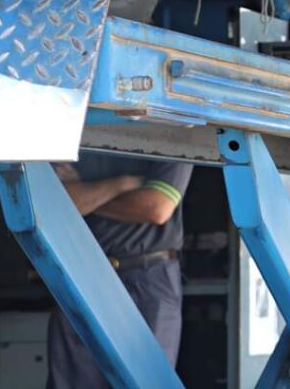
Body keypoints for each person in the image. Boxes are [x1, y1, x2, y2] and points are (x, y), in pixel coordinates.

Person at [48, 152, 193, 388]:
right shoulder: (82, 130)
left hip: (149, 275)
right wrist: (122, 184)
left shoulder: (172, 131)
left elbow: (156, 207)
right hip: (83, 273)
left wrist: (90, 192)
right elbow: (60, 201)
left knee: (147, 381)